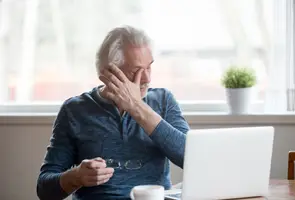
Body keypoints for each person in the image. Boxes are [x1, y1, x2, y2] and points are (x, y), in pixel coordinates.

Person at [36, 25, 190, 200]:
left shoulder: (164, 100)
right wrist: (76, 177)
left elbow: (192, 159)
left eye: (149, 67)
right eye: (136, 71)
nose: (147, 78)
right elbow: (44, 190)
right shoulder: (74, 110)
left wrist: (137, 107)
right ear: (109, 73)